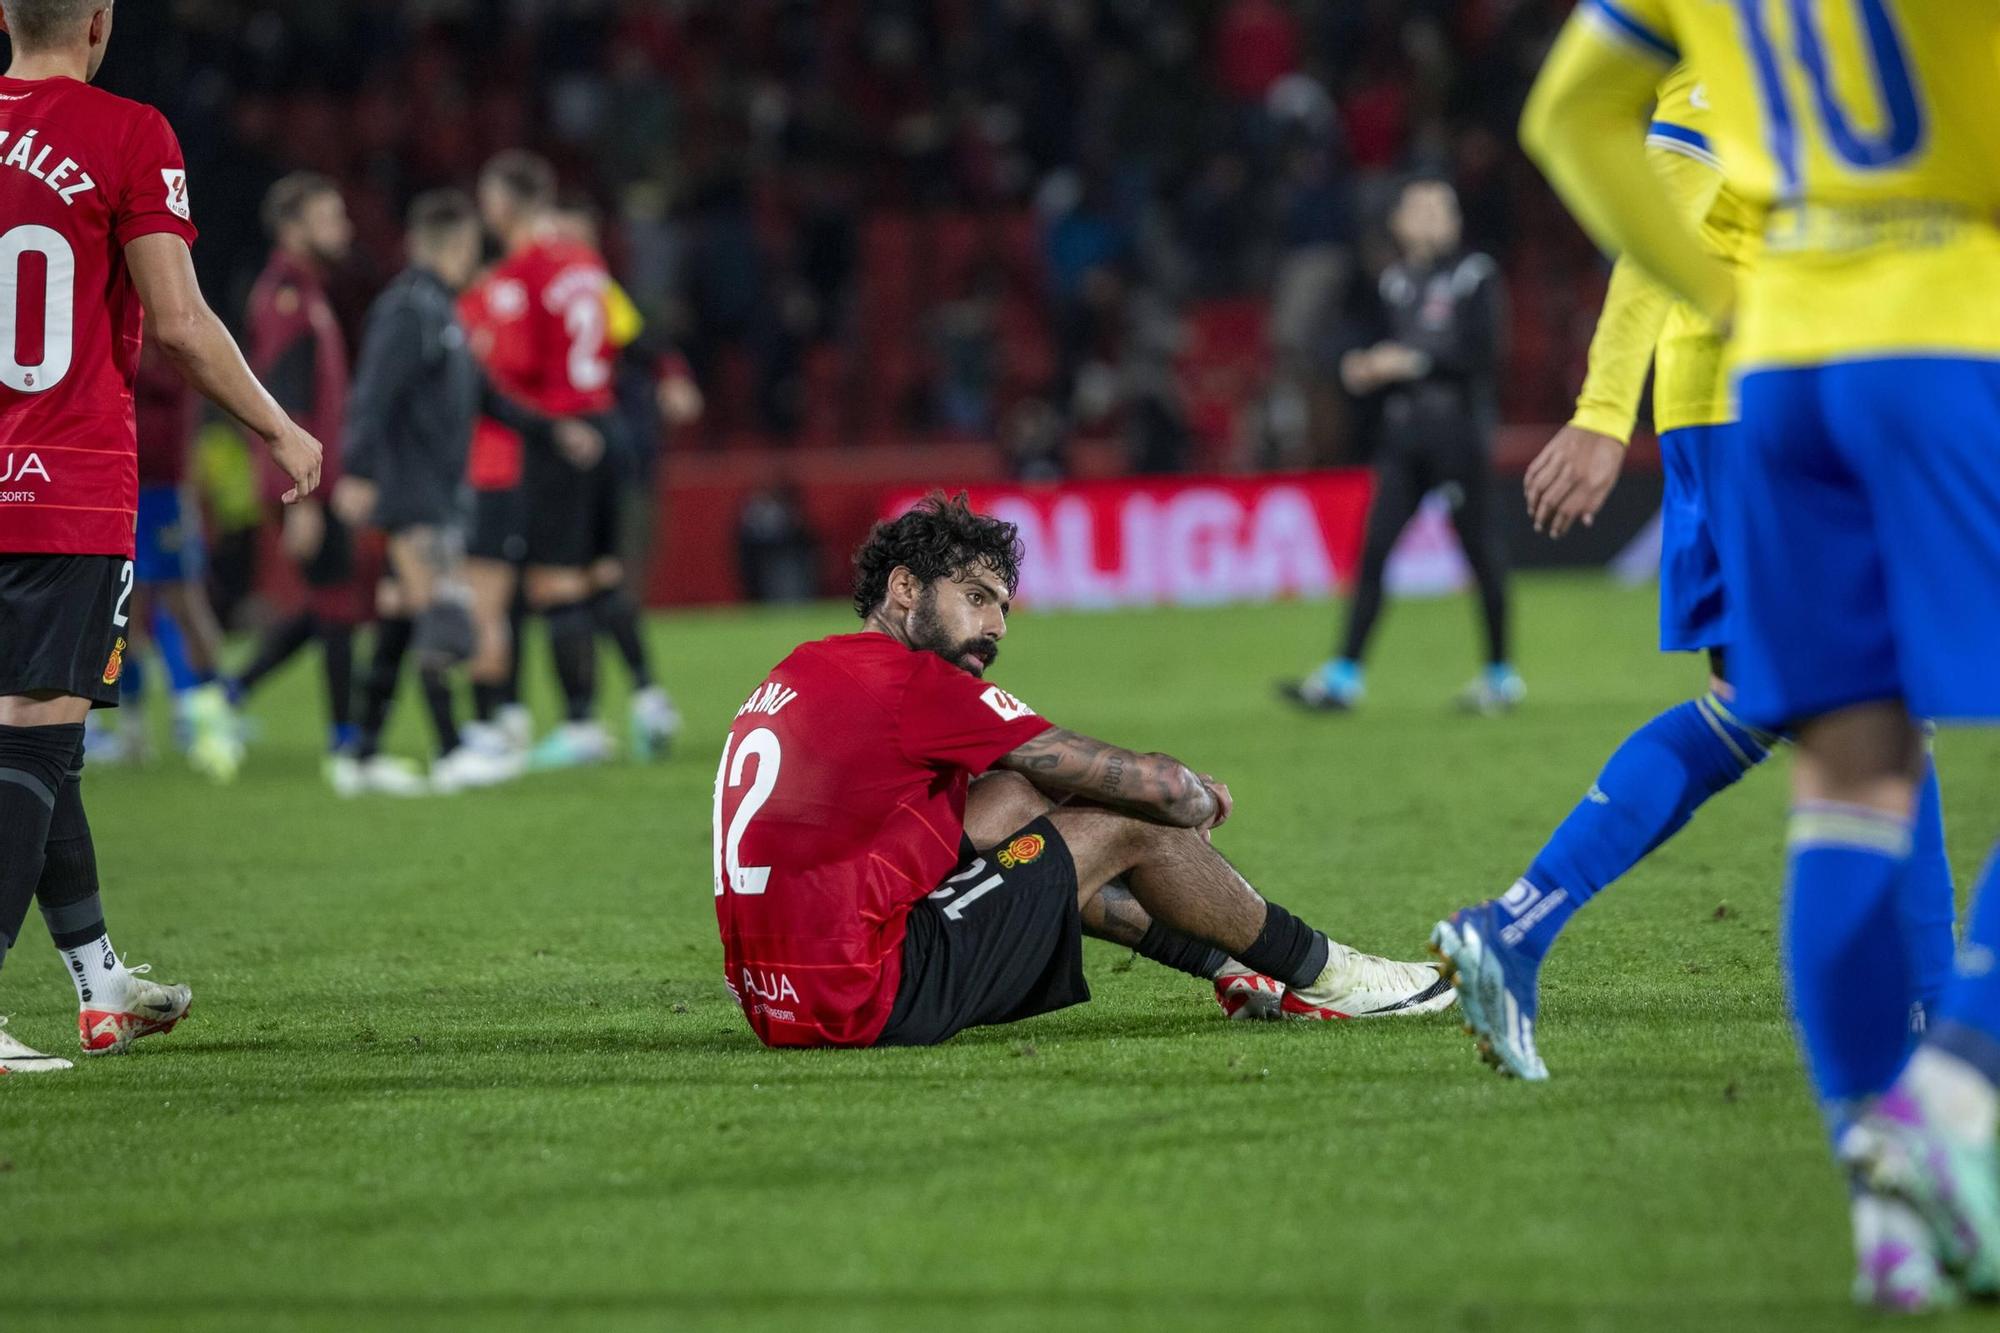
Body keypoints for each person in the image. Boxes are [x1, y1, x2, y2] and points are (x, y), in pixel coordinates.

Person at [1520, 0, 2000, 1309]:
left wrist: (1737, 289)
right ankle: (1958, 1081)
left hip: (1780, 359)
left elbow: (1569, 114)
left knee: (1850, 772)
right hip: (1952, 328)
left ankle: (1887, 1215)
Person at [1430, 64, 1956, 1083]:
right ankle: (1941, 1019)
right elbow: (1648, 250)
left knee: (1762, 702)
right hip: (1750, 415)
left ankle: (1512, 929)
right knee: (1875, 707)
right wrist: (1596, 413)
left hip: (1774, 409)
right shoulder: (1732, 68)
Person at [713, 493, 1455, 1049]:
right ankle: (1329, 975)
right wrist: (1194, 793)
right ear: (904, 588)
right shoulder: (919, 686)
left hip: (772, 998)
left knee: (1009, 800)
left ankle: (1233, 969)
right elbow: (1155, 791)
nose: (996, 626)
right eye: (974, 598)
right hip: (865, 995)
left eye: (1002, 607)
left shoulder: (801, 667)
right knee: (1130, 819)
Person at [0, 0, 322, 1072]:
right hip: (67, 485)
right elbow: (179, 322)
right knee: (38, 737)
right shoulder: (129, 133)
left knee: (47, 748)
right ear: (98, 23)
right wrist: (278, 426)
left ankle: (100, 981)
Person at [332, 190, 597, 795]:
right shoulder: (408, 310)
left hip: (436, 490)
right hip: (412, 493)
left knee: (402, 618)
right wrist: (359, 471)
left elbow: (488, 398)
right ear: (452, 245)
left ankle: (363, 755)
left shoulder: (442, 312)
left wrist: (553, 431)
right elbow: (372, 394)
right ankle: (451, 751)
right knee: (444, 613)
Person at [1280, 177, 1519, 715]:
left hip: (1458, 435)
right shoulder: (1393, 283)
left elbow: (1483, 354)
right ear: (1399, 222)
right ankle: (1343, 676)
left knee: (1480, 553)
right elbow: (1350, 337)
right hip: (1404, 438)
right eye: (1421, 208)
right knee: (1374, 554)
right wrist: (1356, 364)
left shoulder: (1473, 275)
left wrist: (1411, 363)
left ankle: (1501, 676)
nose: (1433, 217)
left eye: (1443, 208)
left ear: (1457, 221)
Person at [472, 152, 623, 770]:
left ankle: (580, 724)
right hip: (604, 420)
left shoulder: (519, 273)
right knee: (587, 577)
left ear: (504, 203)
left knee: (550, 582)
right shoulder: (586, 260)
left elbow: (514, 367)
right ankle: (588, 714)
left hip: (558, 433)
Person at [225, 173, 372, 790]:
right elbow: (284, 397)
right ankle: (347, 747)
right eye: (330, 216)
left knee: (329, 607)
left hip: (318, 478)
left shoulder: (307, 290)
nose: (345, 227)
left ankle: (227, 691)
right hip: (305, 481)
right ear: (294, 227)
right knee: (338, 605)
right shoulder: (286, 294)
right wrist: (303, 498)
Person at [122, 338, 242, 780]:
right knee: (126, 611)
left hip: (166, 493)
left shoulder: (174, 342)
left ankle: (213, 719)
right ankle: (133, 728)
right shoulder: (127, 330)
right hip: (124, 487)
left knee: (186, 606)